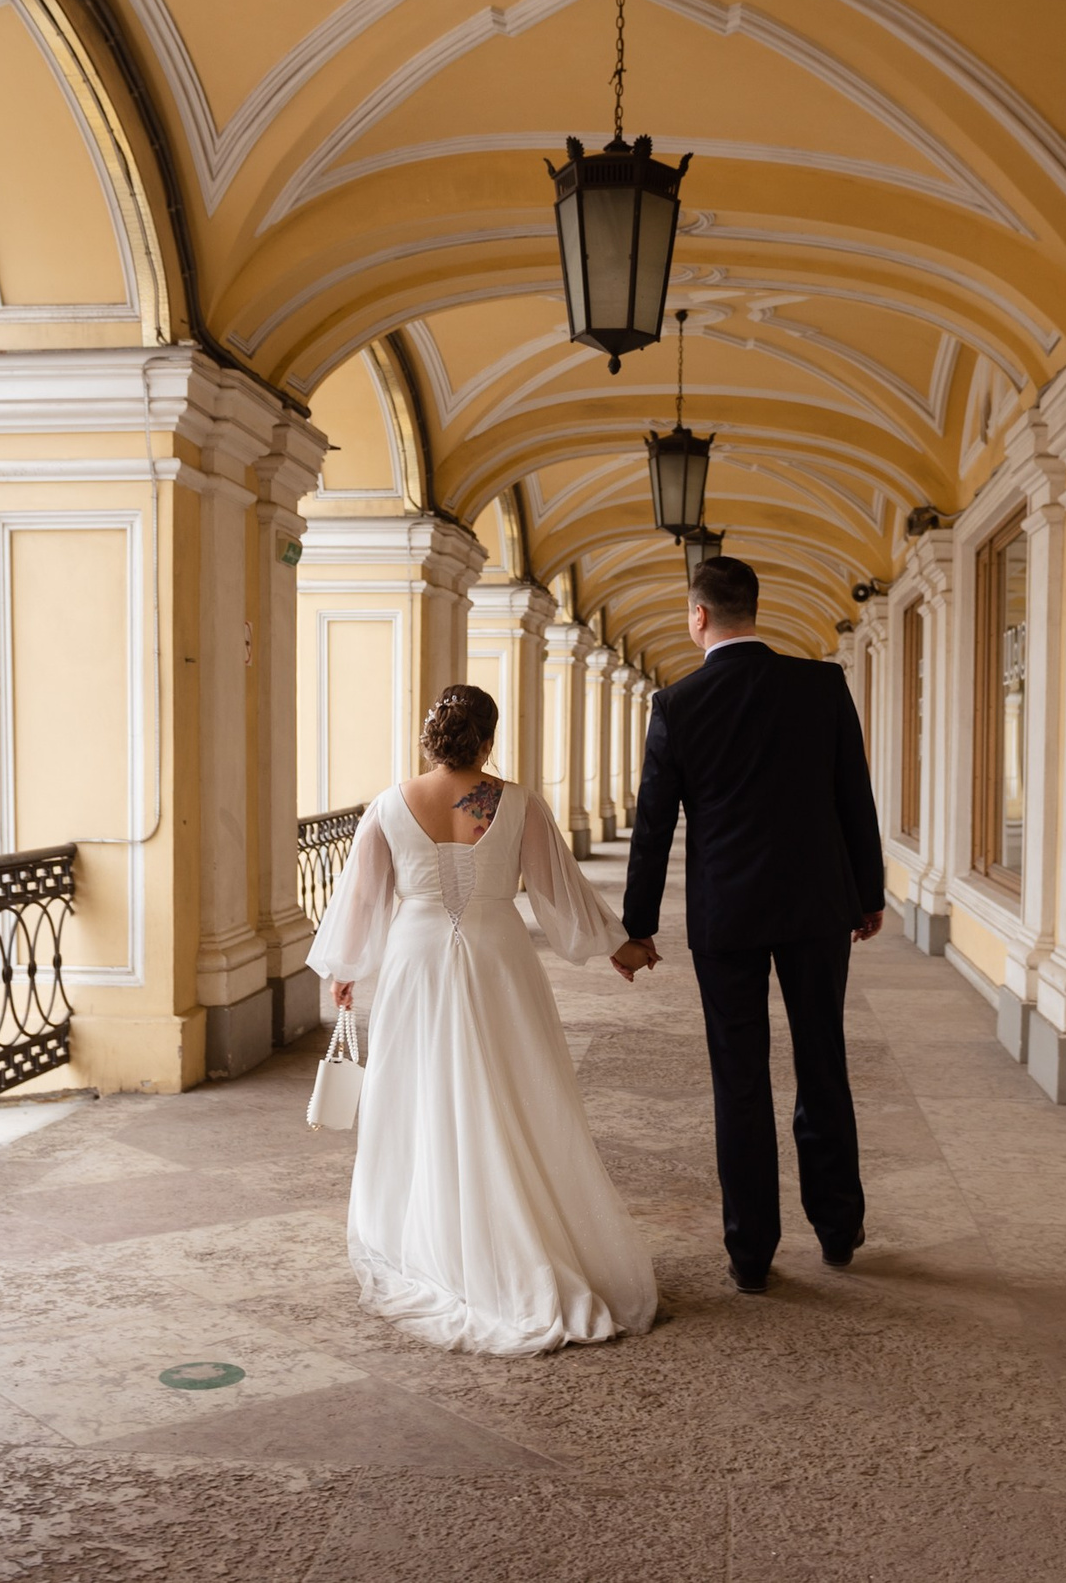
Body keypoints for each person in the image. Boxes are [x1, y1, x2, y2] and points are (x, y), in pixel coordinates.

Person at [309, 684, 659, 1355]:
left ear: (430, 736)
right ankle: (514, 1233)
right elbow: (560, 892)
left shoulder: (389, 804)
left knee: (420, 1090)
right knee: (511, 1086)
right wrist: (621, 946)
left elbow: (362, 899)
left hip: (415, 962)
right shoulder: (518, 803)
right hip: (499, 955)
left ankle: (431, 1236)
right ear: (489, 738)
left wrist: (345, 970)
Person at [613, 557, 885, 1294]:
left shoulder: (677, 704)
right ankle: (838, 1228)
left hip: (726, 912)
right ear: (753, 609)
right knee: (822, 1059)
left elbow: (652, 827)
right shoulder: (822, 685)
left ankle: (751, 1251)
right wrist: (867, 893)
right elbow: (854, 797)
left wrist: (637, 927)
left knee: (739, 1077)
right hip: (817, 906)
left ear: (698, 616)